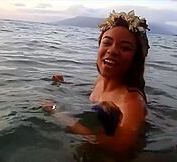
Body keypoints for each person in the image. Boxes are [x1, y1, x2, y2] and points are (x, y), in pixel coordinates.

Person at [42, 10, 150, 155]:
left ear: (135, 59)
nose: (112, 51)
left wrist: (59, 114)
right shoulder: (99, 81)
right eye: (107, 43)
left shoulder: (132, 102)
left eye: (125, 48)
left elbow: (120, 147)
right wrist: (63, 84)